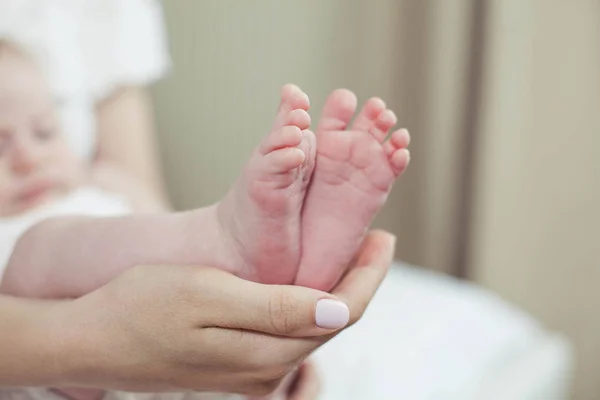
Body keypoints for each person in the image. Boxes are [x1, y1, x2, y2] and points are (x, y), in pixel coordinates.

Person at [0, 230, 396, 398]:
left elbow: (152, 212)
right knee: (38, 247)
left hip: (170, 359)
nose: (27, 155)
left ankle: (270, 269)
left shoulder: (101, 183)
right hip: (37, 370)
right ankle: (227, 235)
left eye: (46, 131)